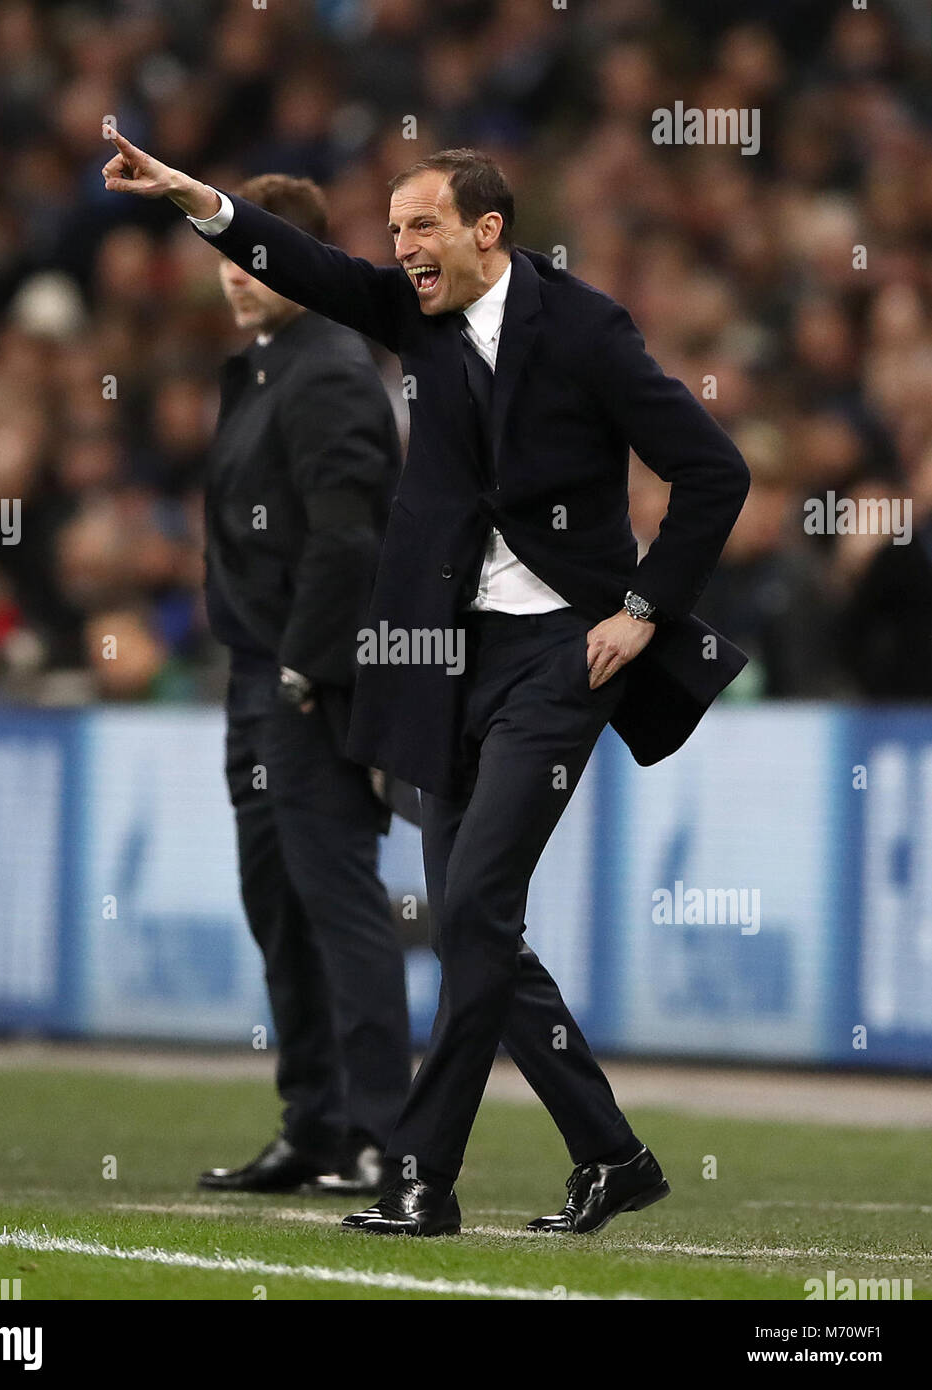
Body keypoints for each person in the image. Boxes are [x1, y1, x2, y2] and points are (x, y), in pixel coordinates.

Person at [102, 130, 750, 1236]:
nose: (399, 249)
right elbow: (313, 270)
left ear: (486, 230)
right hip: (449, 662)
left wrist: (642, 613)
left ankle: (419, 1178)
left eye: (421, 228)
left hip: (563, 654)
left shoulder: (586, 329)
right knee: (470, 927)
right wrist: (195, 198)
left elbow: (713, 470)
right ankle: (612, 1153)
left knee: (477, 905)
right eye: (394, 230)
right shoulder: (417, 314)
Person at [195, 173, 410, 1197]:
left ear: (298, 260)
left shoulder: (324, 371)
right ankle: (315, 1121)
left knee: (337, 902)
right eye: (224, 255)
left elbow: (349, 538)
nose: (233, 275)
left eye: (253, 254)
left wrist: (306, 666)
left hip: (307, 680)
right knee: (279, 905)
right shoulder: (266, 369)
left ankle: (380, 1131)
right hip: (258, 672)